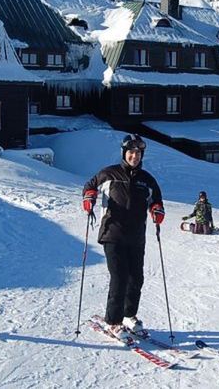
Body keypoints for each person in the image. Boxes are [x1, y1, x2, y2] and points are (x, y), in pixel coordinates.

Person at [82, 134, 164, 341]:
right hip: (112, 233)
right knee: (119, 277)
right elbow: (89, 186)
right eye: (131, 152)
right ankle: (113, 321)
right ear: (124, 153)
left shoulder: (147, 179)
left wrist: (157, 210)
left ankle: (129, 316)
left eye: (138, 153)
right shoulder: (109, 173)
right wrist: (89, 197)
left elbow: (156, 200)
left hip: (136, 236)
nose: (134, 156)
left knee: (136, 278)